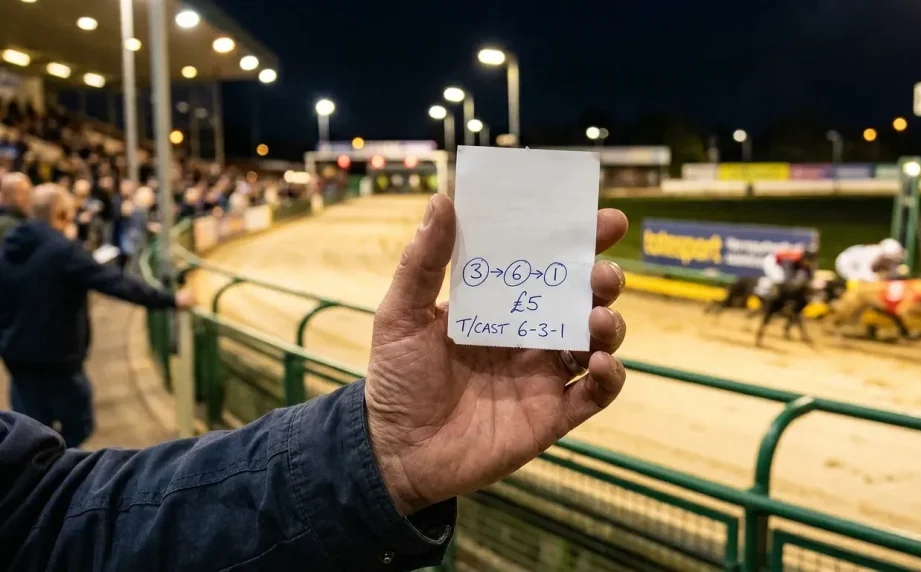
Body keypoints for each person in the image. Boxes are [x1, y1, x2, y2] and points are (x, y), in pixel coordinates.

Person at [0, 193, 629, 571]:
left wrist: (381, 460)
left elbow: (51, 520)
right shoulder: (61, 252)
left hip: (25, 365)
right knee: (72, 424)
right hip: (57, 367)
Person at [0, 184, 195, 448]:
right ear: (60, 214)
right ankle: (55, 474)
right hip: (57, 360)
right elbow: (116, 282)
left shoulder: (8, 247)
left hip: (17, 357)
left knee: (31, 435)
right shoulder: (63, 251)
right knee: (79, 424)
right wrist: (170, 300)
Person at [834, 238, 905, 283]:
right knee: (860, 282)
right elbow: (866, 274)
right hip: (846, 265)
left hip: (856, 262)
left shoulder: (888, 256)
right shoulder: (873, 255)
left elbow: (893, 272)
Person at [0, 171, 31, 241]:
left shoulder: (28, 220)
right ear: (5, 196)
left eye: (28, 192)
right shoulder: (7, 224)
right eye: (21, 193)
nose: (26, 197)